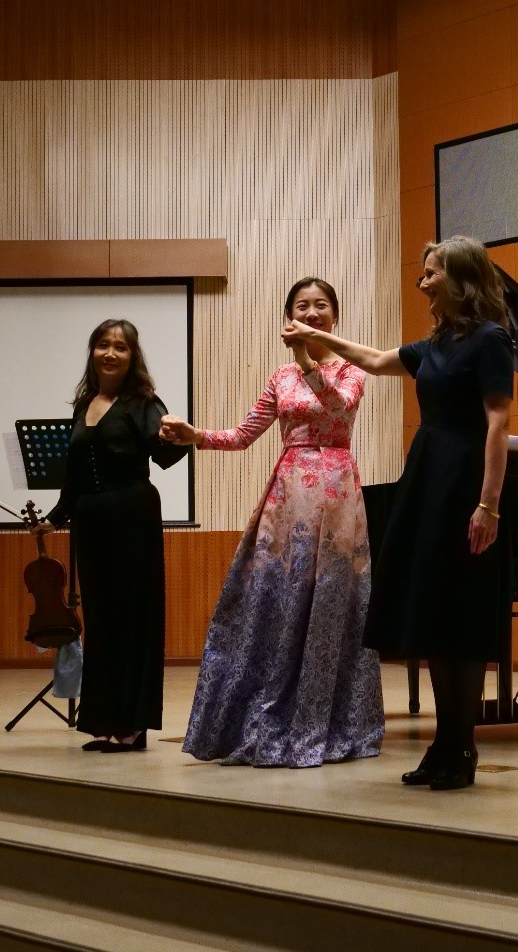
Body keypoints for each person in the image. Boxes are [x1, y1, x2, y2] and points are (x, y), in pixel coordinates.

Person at [282, 237, 513, 791]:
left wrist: (488, 504)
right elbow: (373, 360)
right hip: (427, 479)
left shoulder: (490, 339)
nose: (422, 282)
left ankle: (463, 746)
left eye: (431, 273)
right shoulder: (435, 343)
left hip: (464, 483)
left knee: (461, 617)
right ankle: (444, 743)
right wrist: (318, 337)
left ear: (460, 278)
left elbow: (499, 422)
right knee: (432, 614)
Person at [161, 278, 384, 767]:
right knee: (275, 596)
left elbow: (339, 405)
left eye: (321, 305)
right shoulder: (280, 376)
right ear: (289, 317)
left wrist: (306, 358)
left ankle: (333, 720)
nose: (312, 313)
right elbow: (244, 435)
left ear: (335, 316)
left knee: (333, 602)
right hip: (288, 494)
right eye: (302, 306)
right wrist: (195, 435)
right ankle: (261, 713)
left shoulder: (351, 368)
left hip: (337, 490)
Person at [33, 319, 189, 752]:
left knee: (133, 618)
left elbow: (167, 455)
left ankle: (133, 724)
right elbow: (75, 477)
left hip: (131, 516)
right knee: (101, 620)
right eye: (103, 345)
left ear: (132, 356)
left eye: (120, 347)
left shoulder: (143, 403)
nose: (111, 353)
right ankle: (102, 719)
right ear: (93, 352)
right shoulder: (84, 404)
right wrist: (55, 518)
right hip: (91, 522)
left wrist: (180, 437)